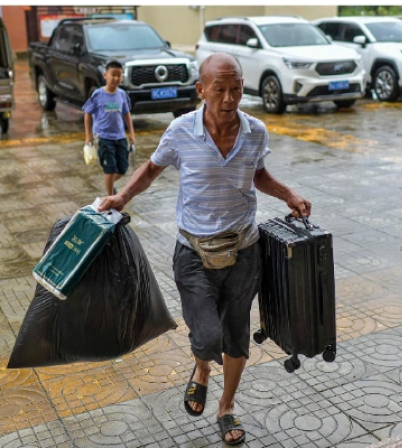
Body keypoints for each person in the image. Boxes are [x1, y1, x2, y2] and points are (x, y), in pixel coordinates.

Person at [98, 53, 311, 446]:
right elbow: (151, 168)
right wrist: (121, 197)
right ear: (201, 90)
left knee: (235, 336)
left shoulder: (256, 131)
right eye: (220, 89)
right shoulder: (181, 131)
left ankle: (226, 407)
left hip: (244, 251)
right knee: (207, 337)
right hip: (193, 252)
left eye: (236, 89)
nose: (229, 98)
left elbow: (257, 174)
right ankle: (201, 370)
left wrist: (288, 194)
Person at [83, 60, 136, 196]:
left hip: (120, 137)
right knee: (110, 169)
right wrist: (88, 136)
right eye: (113, 75)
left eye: (119, 75)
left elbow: (126, 114)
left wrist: (131, 133)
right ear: (105, 75)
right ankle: (110, 197)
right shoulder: (98, 94)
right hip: (104, 138)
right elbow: (87, 113)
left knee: (122, 168)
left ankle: (109, 184)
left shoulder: (122, 95)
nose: (116, 78)